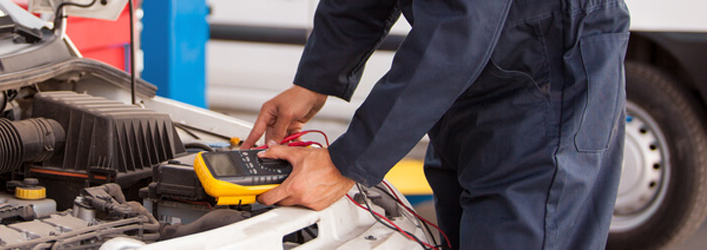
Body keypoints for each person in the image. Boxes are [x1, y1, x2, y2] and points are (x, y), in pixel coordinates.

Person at [241, 0, 630, 249]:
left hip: (546, 76)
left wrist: (347, 162)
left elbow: (463, 22)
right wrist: (316, 80)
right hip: (469, 81)